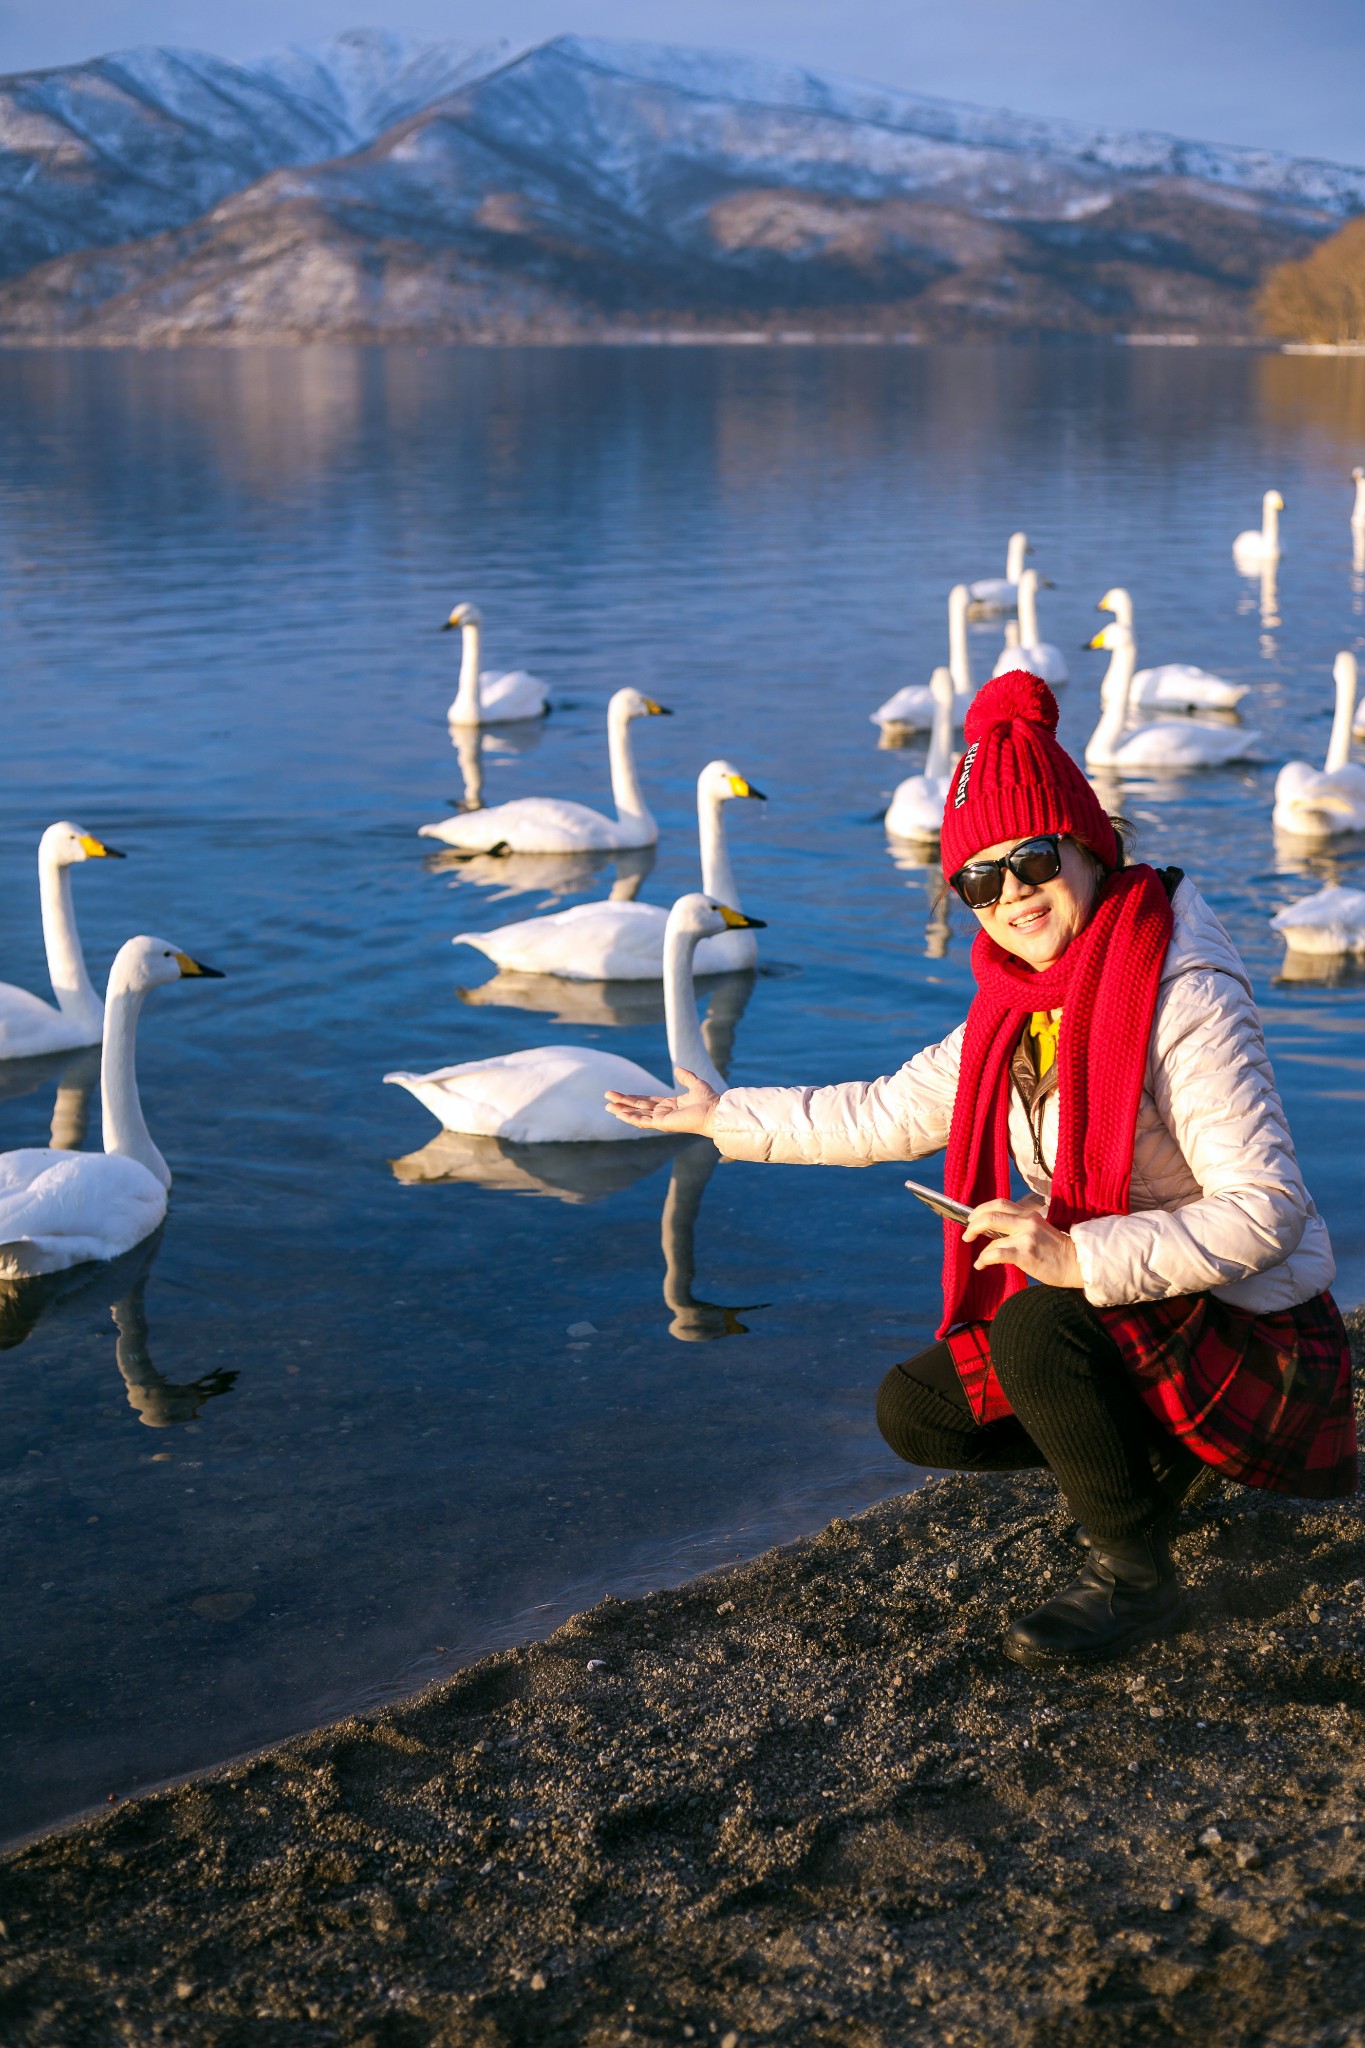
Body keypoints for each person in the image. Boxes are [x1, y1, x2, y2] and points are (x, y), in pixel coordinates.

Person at [605, 672, 1356, 1667]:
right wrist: (723, 1116)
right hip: (1141, 1303)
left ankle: (1142, 1578)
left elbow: (1267, 1212)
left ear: (1088, 844)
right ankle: (1163, 1457)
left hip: (1249, 1322)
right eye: (980, 880)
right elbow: (890, 1107)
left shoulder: (1181, 988)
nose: (1012, 896)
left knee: (1037, 1322)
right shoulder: (1021, 999)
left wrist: (1072, 1254)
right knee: (915, 1411)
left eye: (1034, 860)